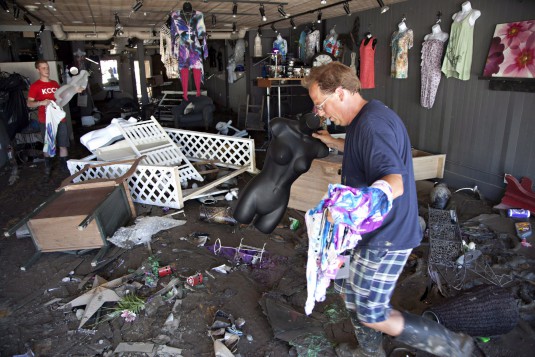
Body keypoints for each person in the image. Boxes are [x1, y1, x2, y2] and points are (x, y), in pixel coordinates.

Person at [302, 62, 474, 357]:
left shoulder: (372, 126)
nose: (320, 113)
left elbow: (394, 183)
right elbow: (366, 150)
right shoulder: (366, 118)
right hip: (374, 232)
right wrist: (334, 142)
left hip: (387, 236)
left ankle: (451, 345)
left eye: (320, 105)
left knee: (372, 312)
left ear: (340, 93)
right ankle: (369, 351)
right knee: (355, 299)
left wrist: (348, 208)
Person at [27, 59, 69, 179]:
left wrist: (74, 91)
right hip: (45, 120)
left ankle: (64, 167)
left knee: (63, 144)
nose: (47, 70)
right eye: (43, 68)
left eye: (47, 67)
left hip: (60, 119)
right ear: (38, 69)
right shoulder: (35, 86)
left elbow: (62, 98)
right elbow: (29, 103)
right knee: (48, 144)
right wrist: (41, 102)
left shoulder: (55, 84)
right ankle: (48, 167)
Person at [441, 1, 481, 80]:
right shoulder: (455, 15)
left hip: (463, 46)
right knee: (450, 61)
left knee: (460, 61)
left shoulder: (474, 13)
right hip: (452, 46)